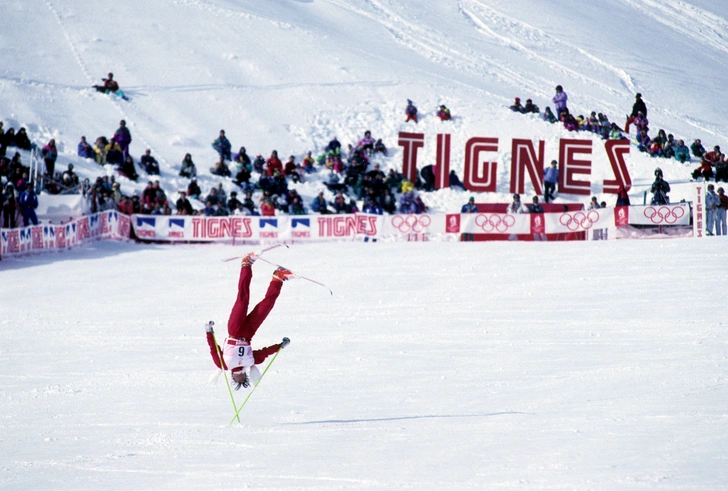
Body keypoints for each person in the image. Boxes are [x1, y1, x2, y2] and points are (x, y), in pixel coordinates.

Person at [205, 254, 292, 390]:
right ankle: (278, 278)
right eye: (244, 378)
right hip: (248, 333)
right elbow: (265, 352)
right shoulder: (250, 362)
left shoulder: (223, 364)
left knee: (243, 298)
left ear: (232, 377)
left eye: (237, 380)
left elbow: (213, 347)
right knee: (267, 305)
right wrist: (280, 346)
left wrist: (208, 330)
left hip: (234, 329)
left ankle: (246, 264)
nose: (241, 378)